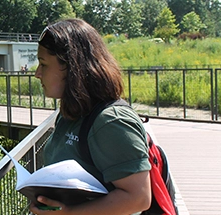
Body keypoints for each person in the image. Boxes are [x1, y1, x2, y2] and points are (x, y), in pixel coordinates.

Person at [31, 18, 152, 215]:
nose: (37, 73)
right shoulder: (72, 112)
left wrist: (69, 213)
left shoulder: (111, 122)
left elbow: (138, 198)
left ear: (71, 67)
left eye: (43, 64)